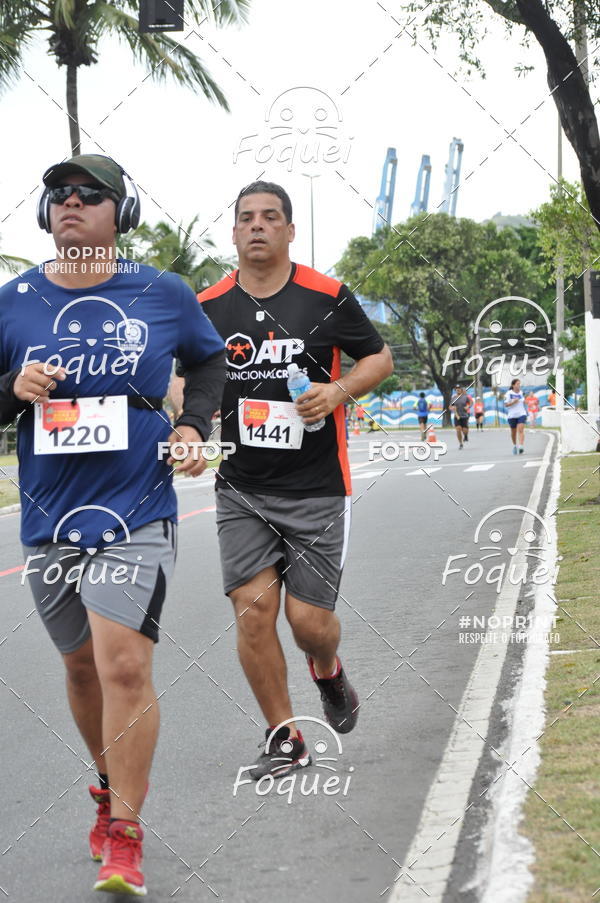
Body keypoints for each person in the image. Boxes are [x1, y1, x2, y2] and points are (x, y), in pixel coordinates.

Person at [0, 154, 225, 896]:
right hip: (47, 512)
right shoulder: (15, 301)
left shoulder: (161, 293)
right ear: (44, 214)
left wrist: (192, 424)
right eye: (57, 194)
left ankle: (125, 835)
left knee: (124, 663)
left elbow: (210, 361)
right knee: (79, 667)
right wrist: (12, 387)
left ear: (120, 213)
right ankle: (105, 782)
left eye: (88, 194)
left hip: (137, 506)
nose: (69, 202)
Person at [192, 180, 393, 778]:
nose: (258, 226)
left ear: (288, 230)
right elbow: (193, 383)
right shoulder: (208, 308)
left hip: (317, 489)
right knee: (253, 612)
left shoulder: (326, 295)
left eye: (270, 217)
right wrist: (191, 431)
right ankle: (285, 738)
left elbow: (378, 358)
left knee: (308, 626)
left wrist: (336, 392)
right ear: (233, 232)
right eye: (246, 218)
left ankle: (327, 670)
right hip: (242, 490)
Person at [504, 377, 527, 454]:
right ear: (513, 385)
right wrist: (513, 402)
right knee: (513, 432)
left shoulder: (521, 393)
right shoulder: (509, 393)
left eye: (519, 384)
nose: (519, 385)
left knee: (520, 430)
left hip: (521, 414)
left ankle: (521, 446)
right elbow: (506, 404)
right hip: (512, 415)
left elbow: (523, 401)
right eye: (517, 384)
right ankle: (514, 445)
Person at [450, 385, 471, 449]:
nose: (458, 389)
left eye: (459, 388)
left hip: (464, 416)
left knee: (465, 430)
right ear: (455, 390)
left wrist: (468, 406)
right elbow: (450, 406)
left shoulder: (465, 397)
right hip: (457, 416)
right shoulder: (453, 398)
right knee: (458, 429)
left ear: (461, 390)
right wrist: (452, 408)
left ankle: (466, 435)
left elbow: (471, 403)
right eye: (456, 388)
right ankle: (461, 443)